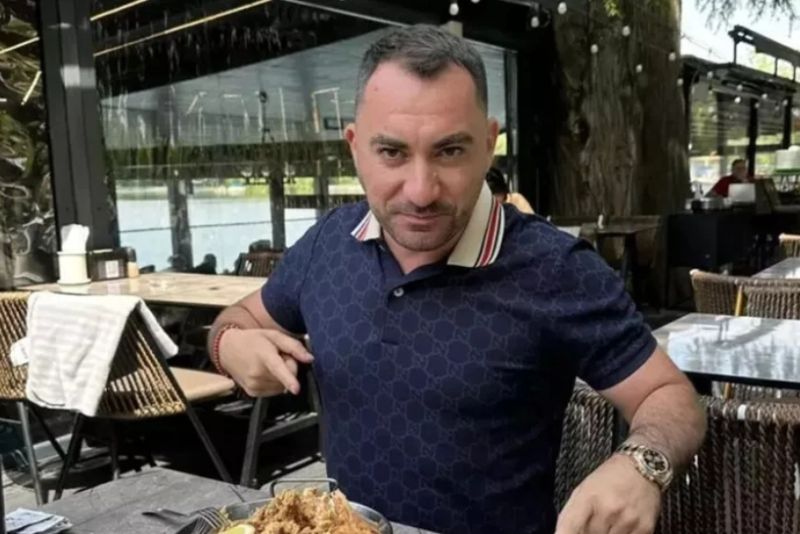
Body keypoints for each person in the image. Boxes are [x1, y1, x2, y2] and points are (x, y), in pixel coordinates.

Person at [209, 25, 705, 534]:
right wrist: (231, 345)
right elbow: (239, 318)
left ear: (488, 144)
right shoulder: (326, 244)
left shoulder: (556, 269)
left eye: (449, 151)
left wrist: (641, 465)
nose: (421, 191)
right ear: (355, 148)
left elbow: (671, 396)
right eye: (392, 152)